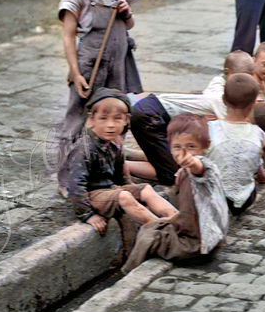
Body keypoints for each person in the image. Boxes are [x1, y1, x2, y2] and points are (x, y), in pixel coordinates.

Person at [55, 0, 142, 161]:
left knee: (115, 114)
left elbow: (129, 25)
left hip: (118, 65)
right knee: (78, 117)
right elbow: (68, 36)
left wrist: (126, 12)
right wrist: (76, 73)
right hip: (90, 65)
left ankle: (109, 165)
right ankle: (66, 175)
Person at [128, 51, 257, 187]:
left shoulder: (219, 82)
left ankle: (132, 155)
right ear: (228, 72)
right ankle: (122, 164)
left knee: (171, 158)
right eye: (240, 78)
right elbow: (234, 127)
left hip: (151, 109)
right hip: (150, 116)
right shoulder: (220, 99)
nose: (244, 84)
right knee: (175, 173)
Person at [59, 88, 178, 236]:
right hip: (93, 196)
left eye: (117, 119)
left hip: (111, 191)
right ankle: (160, 230)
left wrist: (133, 190)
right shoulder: (84, 148)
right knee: (124, 196)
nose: (110, 125)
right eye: (103, 118)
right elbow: (76, 185)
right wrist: (87, 214)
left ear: (126, 120)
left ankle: (176, 220)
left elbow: (122, 172)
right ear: (91, 119)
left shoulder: (115, 142)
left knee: (145, 189)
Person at [121, 114, 230, 274]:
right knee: (154, 225)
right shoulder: (183, 172)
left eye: (191, 147)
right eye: (177, 147)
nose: (183, 153)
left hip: (198, 245)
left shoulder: (204, 169)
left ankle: (129, 273)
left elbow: (200, 168)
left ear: (205, 147)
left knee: (148, 236)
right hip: (203, 235)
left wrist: (193, 163)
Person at [207, 73, 265, 215]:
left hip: (216, 199)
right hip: (246, 199)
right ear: (252, 105)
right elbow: (258, 158)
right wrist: (264, 177)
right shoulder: (259, 133)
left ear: (224, 100)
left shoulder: (210, 128)